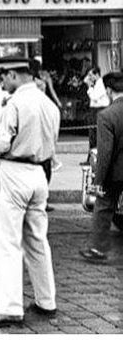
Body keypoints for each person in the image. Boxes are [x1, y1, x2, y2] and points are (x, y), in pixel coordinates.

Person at [0, 57, 60, 328]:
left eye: (4, 78)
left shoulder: (15, 103)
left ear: (14, 75)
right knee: (38, 239)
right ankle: (46, 301)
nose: (3, 83)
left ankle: (10, 307)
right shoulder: (49, 104)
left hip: (14, 171)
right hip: (40, 173)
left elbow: (2, 142)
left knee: (7, 241)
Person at [80, 71, 123, 264]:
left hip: (116, 173)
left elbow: (105, 153)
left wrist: (98, 181)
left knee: (103, 207)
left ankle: (97, 248)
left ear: (108, 90)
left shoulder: (106, 115)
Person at [84, 67, 110, 164]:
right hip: (94, 110)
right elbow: (85, 80)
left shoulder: (101, 84)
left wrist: (90, 87)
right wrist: (88, 81)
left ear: (97, 74)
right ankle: (91, 158)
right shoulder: (95, 84)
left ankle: (97, 158)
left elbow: (94, 97)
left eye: (91, 75)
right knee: (92, 135)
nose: (90, 77)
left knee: (97, 134)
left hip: (100, 109)